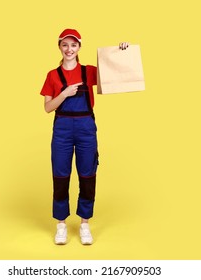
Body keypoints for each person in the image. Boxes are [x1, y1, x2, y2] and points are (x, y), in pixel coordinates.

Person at [40, 28, 129, 245]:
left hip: (86, 127)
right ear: (59, 47)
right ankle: (61, 224)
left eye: (73, 45)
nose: (69, 49)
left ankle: (84, 224)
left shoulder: (89, 71)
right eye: (65, 45)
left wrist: (122, 51)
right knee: (60, 174)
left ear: (79, 47)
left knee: (87, 174)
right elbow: (47, 108)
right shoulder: (52, 75)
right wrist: (64, 93)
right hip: (62, 128)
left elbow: (116, 71)